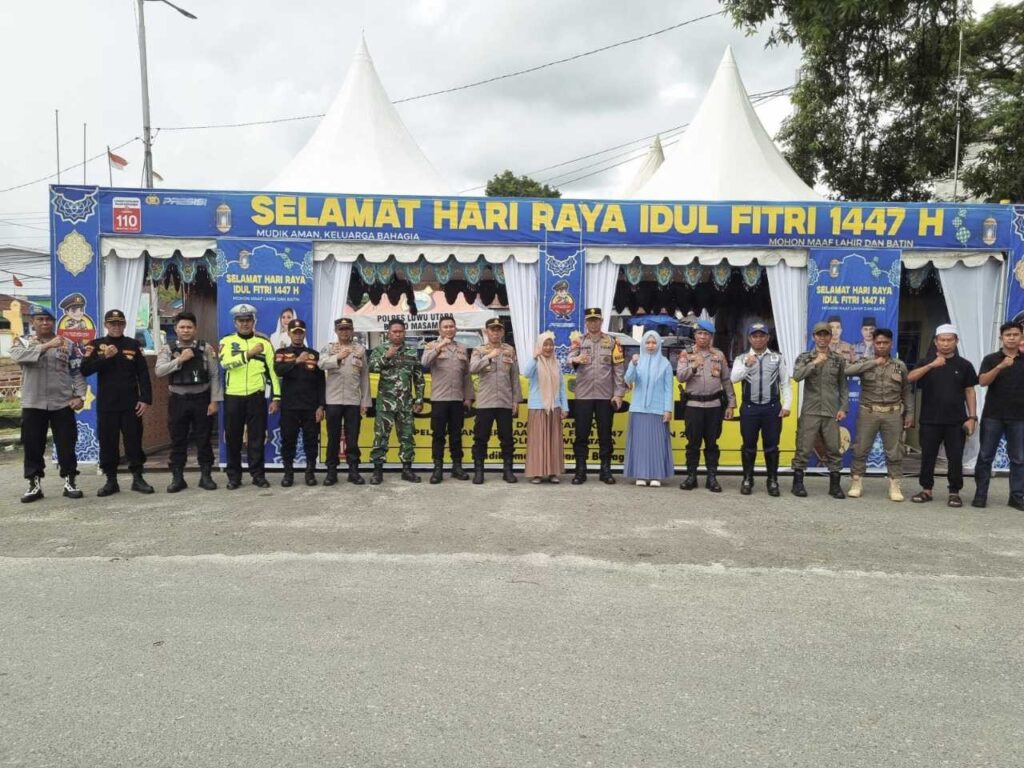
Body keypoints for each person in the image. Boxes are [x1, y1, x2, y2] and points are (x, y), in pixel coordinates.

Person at [11, 307, 85, 502]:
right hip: (33, 403)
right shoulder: (23, 342)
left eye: (48, 319)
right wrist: (47, 346)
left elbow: (76, 372)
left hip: (62, 403)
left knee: (67, 444)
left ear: (54, 322)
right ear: (33, 322)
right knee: (33, 446)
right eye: (40, 319)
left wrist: (80, 396)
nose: (45, 323)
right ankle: (34, 485)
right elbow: (18, 357)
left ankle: (70, 482)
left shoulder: (68, 344)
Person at [80, 308, 154, 496]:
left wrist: (145, 399)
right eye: (112, 323)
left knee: (134, 441)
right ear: (106, 325)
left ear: (125, 325)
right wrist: (104, 357)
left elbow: (143, 374)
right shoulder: (96, 345)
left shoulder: (133, 344)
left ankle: (138, 478)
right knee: (108, 443)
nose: (116, 327)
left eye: (120, 323)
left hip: (131, 404)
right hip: (107, 404)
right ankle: (111, 481)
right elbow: (85, 370)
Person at [907, 324, 978, 508]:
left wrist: (972, 418)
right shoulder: (926, 362)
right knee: (928, 456)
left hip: (956, 421)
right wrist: (932, 365)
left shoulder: (965, 365)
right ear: (935, 342)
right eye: (942, 340)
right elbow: (910, 377)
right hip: (930, 419)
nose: (946, 343)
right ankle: (926, 490)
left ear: (956, 341)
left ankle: (954, 492)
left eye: (949, 340)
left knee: (955, 457)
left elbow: (970, 391)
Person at [155, 311, 222, 493]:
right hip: (178, 400)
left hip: (202, 399)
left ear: (195, 329)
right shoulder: (168, 349)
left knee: (204, 439)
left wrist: (215, 401)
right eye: (182, 327)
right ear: (176, 329)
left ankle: (206, 476)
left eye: (189, 327)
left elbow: (214, 375)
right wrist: (180, 359)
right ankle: (177, 478)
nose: (186, 330)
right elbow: (159, 371)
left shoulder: (205, 348)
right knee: (178, 439)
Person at [845, 328, 913, 502]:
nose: (882, 346)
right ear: (873, 343)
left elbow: (906, 391)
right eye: (878, 343)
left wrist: (910, 413)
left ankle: (895, 485)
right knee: (861, 448)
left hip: (892, 413)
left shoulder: (899, 365)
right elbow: (848, 370)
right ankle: (856, 482)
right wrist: (874, 363)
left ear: (891, 344)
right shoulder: (865, 361)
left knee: (895, 450)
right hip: (869, 412)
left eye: (885, 343)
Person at [219, 303, 281, 489]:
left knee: (257, 438)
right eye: (241, 320)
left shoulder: (264, 343)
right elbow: (225, 364)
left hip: (256, 396)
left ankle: (258, 475)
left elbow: (273, 372)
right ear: (235, 323)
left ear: (254, 321)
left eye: (248, 320)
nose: (244, 323)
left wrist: (276, 397)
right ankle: (234, 477)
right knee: (233, 438)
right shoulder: (227, 341)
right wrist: (248, 354)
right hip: (233, 396)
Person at [731, 322, 791, 496]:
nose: (758, 339)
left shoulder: (777, 357)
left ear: (767, 338)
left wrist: (787, 405)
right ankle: (747, 479)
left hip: (772, 408)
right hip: (749, 408)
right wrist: (747, 365)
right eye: (754, 336)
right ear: (749, 338)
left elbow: (785, 383)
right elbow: (733, 378)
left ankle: (772, 480)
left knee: (771, 446)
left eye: (761, 336)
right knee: (748, 446)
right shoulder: (741, 358)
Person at [791, 321, 849, 499]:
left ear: (831, 337)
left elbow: (843, 386)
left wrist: (843, 407)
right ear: (814, 337)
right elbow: (797, 376)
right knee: (804, 448)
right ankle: (798, 484)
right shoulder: (805, 357)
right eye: (819, 334)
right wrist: (815, 362)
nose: (822, 338)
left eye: (826, 334)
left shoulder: (838, 359)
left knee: (834, 448)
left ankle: (835, 486)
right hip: (811, 410)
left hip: (831, 411)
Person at [677, 319, 735, 492]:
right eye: (700, 333)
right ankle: (691, 476)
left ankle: (712, 478)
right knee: (692, 443)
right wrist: (694, 366)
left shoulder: (719, 355)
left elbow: (726, 380)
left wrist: (731, 404)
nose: (702, 337)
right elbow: (680, 377)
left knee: (712, 443)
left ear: (711, 337)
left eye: (706, 334)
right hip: (693, 405)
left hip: (714, 406)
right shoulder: (686, 354)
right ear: (695, 335)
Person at [569, 308, 626, 484]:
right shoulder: (578, 341)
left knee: (605, 435)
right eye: (590, 320)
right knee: (581, 435)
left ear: (601, 321)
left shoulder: (612, 342)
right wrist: (575, 359)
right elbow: (569, 359)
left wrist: (618, 394)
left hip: (605, 396)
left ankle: (605, 470)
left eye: (596, 320)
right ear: (586, 322)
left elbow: (618, 370)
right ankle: (580, 470)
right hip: (583, 396)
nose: (593, 323)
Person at [972, 322, 1024, 510]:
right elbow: (982, 381)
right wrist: (1000, 366)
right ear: (1001, 337)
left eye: (1015, 334)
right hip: (993, 415)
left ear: (1021, 337)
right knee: (986, 456)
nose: (1012, 338)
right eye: (1008, 335)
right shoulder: (991, 359)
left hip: (1019, 416)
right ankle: (981, 495)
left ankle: (1016, 496)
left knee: (1018, 458)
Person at [368, 318, 425, 484]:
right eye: (394, 332)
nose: (398, 334)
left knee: (407, 437)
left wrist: (419, 399)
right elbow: (371, 368)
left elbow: (418, 378)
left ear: (404, 333)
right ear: (388, 333)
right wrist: (386, 356)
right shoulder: (380, 349)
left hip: (405, 403)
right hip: (385, 403)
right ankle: (377, 471)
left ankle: (407, 470)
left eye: (401, 331)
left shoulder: (411, 352)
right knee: (381, 437)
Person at [470, 317, 524, 484]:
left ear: (502, 332)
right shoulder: (479, 350)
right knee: (481, 438)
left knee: (507, 439)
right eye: (492, 330)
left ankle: (508, 471)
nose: (495, 333)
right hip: (485, 402)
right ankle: (479, 471)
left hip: (504, 402)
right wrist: (488, 357)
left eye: (498, 329)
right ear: (486, 332)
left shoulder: (509, 350)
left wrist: (516, 400)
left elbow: (514, 376)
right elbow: (472, 368)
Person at [421, 315, 474, 483]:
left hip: (457, 399)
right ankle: (437, 469)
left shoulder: (462, 348)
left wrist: (468, 397)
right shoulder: (431, 346)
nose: (449, 329)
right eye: (445, 327)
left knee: (456, 435)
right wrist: (440, 346)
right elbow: (424, 363)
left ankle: (457, 467)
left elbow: (467, 375)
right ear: (439, 330)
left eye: (451, 326)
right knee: (438, 435)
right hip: (439, 399)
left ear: (455, 328)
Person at [273, 318, 325, 487]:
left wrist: (321, 406)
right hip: (289, 407)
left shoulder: (314, 354)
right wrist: (296, 361)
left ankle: (310, 473)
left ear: (304, 333)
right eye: (294, 333)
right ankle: (288, 474)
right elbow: (278, 371)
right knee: (288, 441)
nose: (297, 335)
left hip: (310, 407)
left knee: (311, 441)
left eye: (300, 332)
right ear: (289, 334)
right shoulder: (281, 352)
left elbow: (321, 382)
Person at [319, 317, 371, 485]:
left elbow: (364, 377)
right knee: (333, 437)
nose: (344, 332)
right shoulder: (329, 348)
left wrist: (365, 401)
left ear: (352, 330)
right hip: (333, 399)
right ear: (336, 331)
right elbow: (321, 364)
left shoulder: (360, 349)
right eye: (341, 329)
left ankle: (353, 471)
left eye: (347, 328)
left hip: (352, 400)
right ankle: (331, 472)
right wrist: (338, 357)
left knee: (352, 438)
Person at [623, 330, 675, 487]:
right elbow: (628, 380)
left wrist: (668, 409)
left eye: (653, 343)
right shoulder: (637, 361)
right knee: (640, 445)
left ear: (658, 344)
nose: (650, 346)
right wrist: (633, 364)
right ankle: (640, 474)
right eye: (647, 342)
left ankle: (656, 476)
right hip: (638, 409)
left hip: (657, 410)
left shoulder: (665, 364)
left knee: (657, 444)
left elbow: (668, 389)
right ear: (643, 344)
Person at [522, 331, 568, 483]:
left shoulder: (556, 363)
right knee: (538, 441)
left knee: (553, 441)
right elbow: (526, 373)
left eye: (551, 345)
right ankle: (537, 473)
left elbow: (561, 387)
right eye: (545, 345)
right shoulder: (535, 362)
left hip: (554, 407)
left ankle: (553, 473)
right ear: (539, 346)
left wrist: (564, 407)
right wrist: (535, 357)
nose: (548, 348)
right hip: (538, 407)